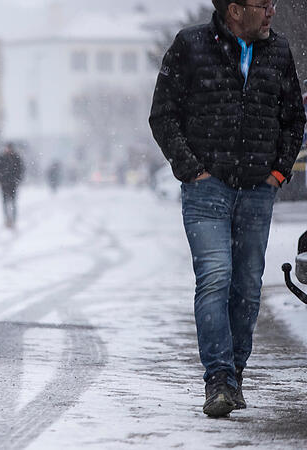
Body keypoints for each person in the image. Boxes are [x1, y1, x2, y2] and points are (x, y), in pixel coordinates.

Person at [149, 0, 305, 418]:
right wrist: (192, 170)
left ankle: (234, 373)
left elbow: (294, 118)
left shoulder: (279, 50)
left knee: (248, 286)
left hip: (258, 189)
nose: (272, 12)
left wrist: (278, 172)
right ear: (235, 10)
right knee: (216, 279)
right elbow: (163, 115)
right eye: (262, 5)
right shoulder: (190, 45)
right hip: (207, 190)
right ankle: (218, 379)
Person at [0, 143, 25, 228]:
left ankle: (13, 219)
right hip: (4, 184)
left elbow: (20, 170)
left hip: (13, 184)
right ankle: (7, 219)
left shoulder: (16, 158)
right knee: (5, 202)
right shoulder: (1, 158)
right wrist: (0, 180)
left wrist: (17, 180)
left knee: (13, 202)